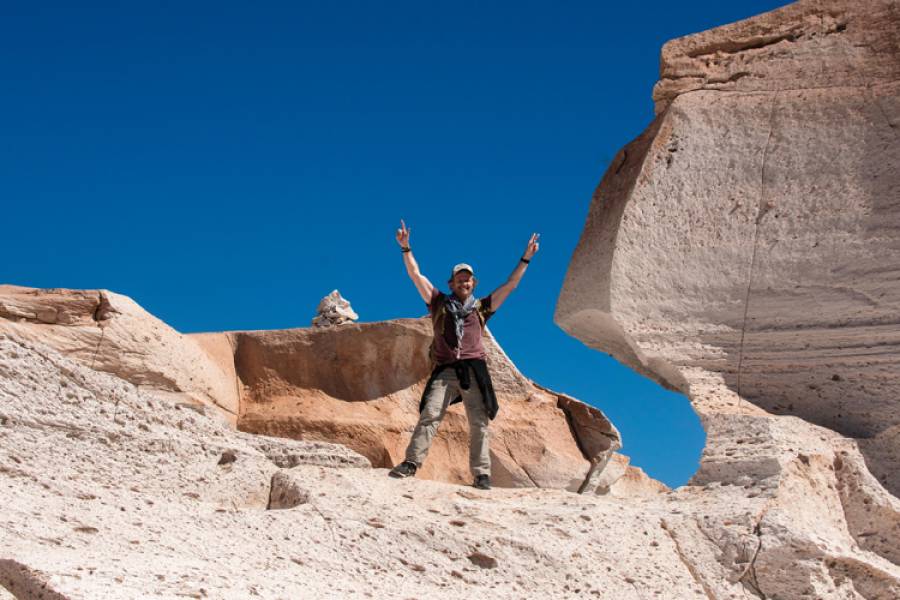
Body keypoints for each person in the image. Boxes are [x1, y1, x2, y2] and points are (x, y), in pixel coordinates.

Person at [388, 220, 539, 490]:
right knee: (430, 414)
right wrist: (405, 248)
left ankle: (481, 475)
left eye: (467, 278)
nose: (464, 281)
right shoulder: (439, 303)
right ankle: (411, 463)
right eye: (459, 278)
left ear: (473, 282)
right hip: (446, 370)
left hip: (474, 371)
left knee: (479, 423)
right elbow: (415, 274)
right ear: (452, 282)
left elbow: (511, 284)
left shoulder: (481, 308)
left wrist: (526, 257)